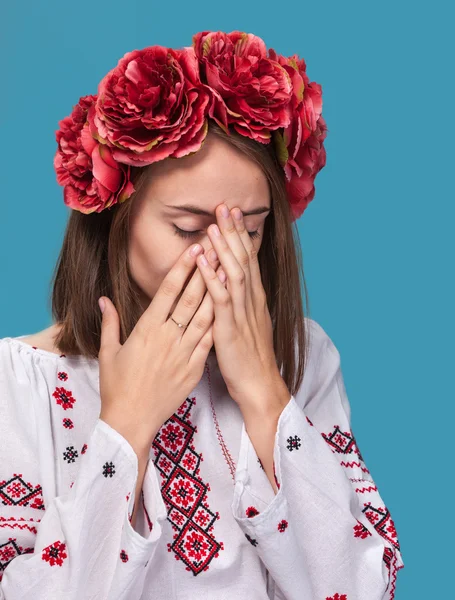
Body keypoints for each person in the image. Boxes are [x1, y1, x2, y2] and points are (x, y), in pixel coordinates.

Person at [0, 30, 404, 599]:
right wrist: (126, 428)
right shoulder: (19, 387)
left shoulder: (302, 358)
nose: (223, 257)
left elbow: (361, 589)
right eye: (188, 229)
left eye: (251, 230)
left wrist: (265, 394)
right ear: (116, 214)